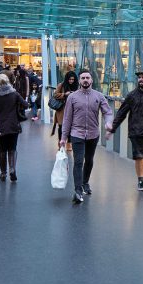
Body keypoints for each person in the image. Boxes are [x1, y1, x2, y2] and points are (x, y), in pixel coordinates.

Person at [61, 70, 113, 204]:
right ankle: (77, 191)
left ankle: (85, 182)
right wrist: (63, 137)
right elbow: (67, 118)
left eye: (87, 78)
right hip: (76, 134)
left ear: (91, 80)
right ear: (79, 81)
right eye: (83, 78)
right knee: (78, 162)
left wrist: (108, 122)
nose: (85, 80)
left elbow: (107, 112)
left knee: (89, 160)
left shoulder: (99, 96)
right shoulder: (72, 97)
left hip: (93, 134)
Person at [50, 70, 78, 147]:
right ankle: (60, 143)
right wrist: (64, 94)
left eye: (73, 79)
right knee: (61, 126)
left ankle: (69, 144)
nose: (71, 81)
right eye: (70, 79)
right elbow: (55, 95)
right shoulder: (61, 85)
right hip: (61, 109)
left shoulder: (77, 86)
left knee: (71, 127)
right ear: (67, 79)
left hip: (72, 109)